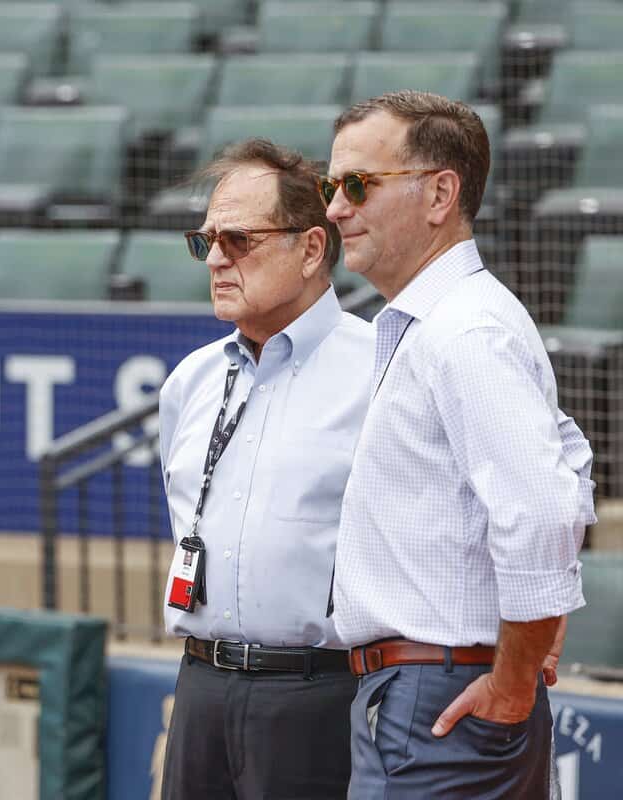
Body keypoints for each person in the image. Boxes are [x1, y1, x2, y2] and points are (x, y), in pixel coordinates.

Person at [324, 90, 595, 799]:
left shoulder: (464, 329)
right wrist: (535, 636)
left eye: (357, 184)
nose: (333, 208)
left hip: (438, 699)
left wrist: (512, 681)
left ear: (440, 192)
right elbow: (570, 467)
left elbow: (542, 510)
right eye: (331, 187)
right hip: (428, 689)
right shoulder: (449, 321)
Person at [157, 138, 374, 800]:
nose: (217, 259)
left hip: (324, 694)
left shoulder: (384, 369)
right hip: (201, 687)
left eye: (240, 241)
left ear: (312, 249)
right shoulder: (190, 381)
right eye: (205, 243)